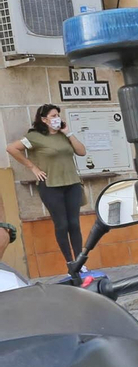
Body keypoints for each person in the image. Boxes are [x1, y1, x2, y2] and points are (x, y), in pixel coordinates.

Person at [7, 104, 86, 266]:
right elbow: (12, 148)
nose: (57, 119)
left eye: (58, 115)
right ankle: (70, 262)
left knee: (74, 224)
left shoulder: (64, 136)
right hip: (50, 186)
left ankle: (80, 262)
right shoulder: (35, 137)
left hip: (72, 184)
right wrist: (33, 167)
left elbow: (82, 152)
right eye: (53, 116)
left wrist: (68, 132)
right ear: (44, 119)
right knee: (62, 224)